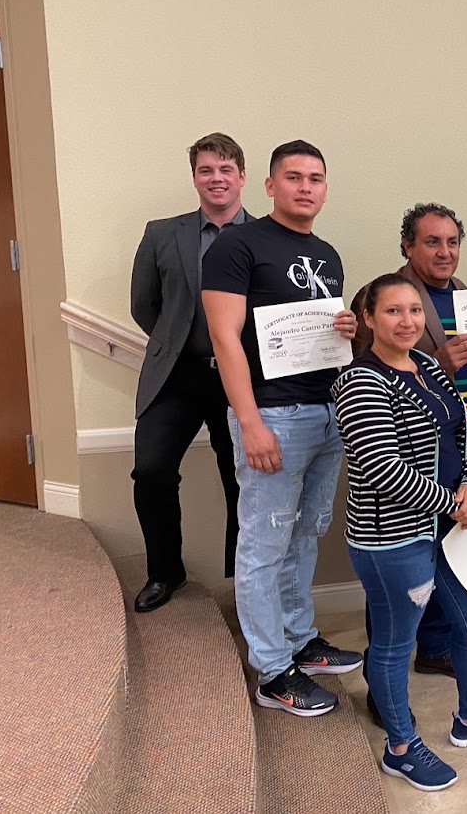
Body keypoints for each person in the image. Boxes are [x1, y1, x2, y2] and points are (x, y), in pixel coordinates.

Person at [333, 274, 467, 792]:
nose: (407, 321)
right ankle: (399, 748)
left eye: (414, 312)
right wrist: (454, 504)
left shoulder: (428, 364)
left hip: (452, 526)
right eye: (393, 312)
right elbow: (381, 468)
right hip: (394, 537)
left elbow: (464, 427)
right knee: (396, 642)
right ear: (370, 319)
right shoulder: (360, 381)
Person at [202, 140, 362, 716]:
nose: (305, 187)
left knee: (305, 533)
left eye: (316, 178)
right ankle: (272, 670)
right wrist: (250, 423)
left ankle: (300, 639)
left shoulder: (327, 253)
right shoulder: (236, 247)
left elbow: (319, 335)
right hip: (272, 415)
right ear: (268, 185)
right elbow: (225, 338)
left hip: (327, 412)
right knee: (264, 543)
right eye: (292, 177)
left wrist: (344, 327)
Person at [350, 203, 467, 681]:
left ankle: (434, 648)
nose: (444, 251)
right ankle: (384, 681)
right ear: (407, 246)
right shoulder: (379, 296)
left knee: (448, 565)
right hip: (405, 478)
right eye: (432, 241)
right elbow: (376, 363)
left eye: (452, 242)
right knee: (401, 588)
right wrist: (440, 358)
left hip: (460, 437)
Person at [129, 133, 253, 612]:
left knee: (242, 480)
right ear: (195, 178)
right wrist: (180, 340)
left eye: (225, 169)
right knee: (152, 471)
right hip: (177, 376)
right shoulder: (162, 233)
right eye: (206, 170)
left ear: (242, 176)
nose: (216, 179)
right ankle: (165, 572)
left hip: (238, 379)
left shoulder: (264, 237)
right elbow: (145, 306)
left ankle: (245, 580)